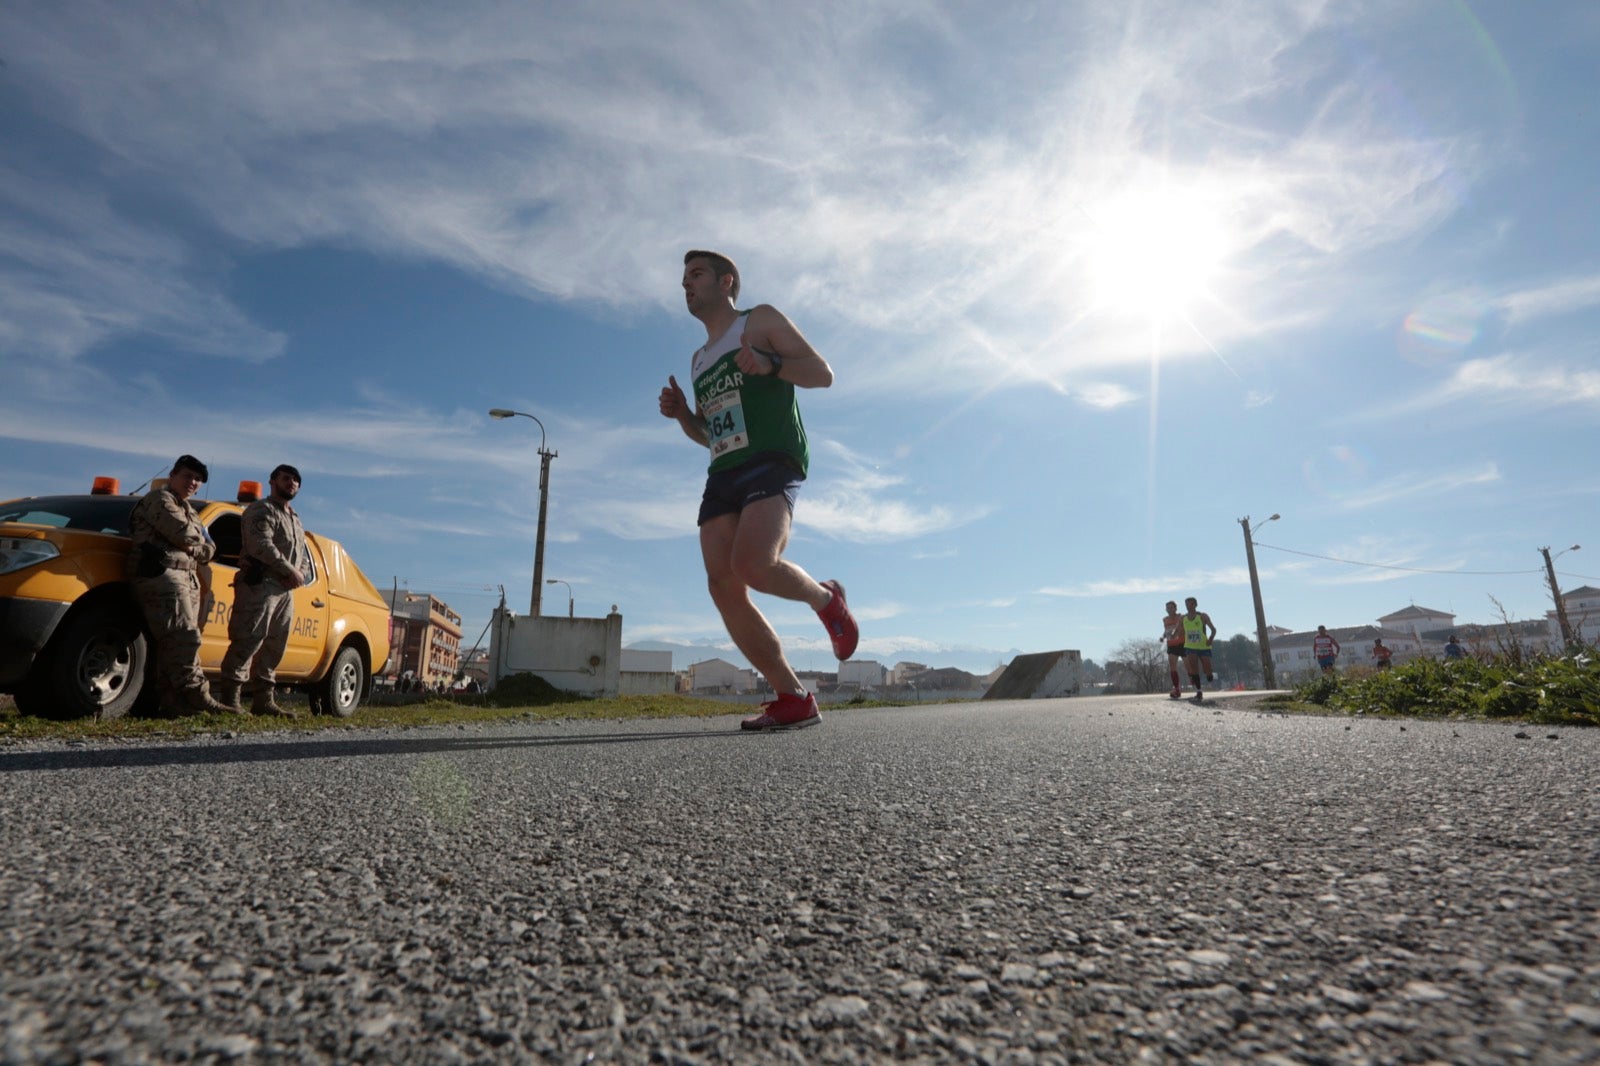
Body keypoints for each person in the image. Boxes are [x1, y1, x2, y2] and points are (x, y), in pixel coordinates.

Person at [659, 249, 858, 732]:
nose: (686, 284)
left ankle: (825, 600)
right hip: (724, 471)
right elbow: (710, 434)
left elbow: (821, 374)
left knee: (753, 565)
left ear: (727, 282)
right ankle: (792, 696)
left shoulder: (759, 320)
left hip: (772, 458)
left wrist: (770, 364)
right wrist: (685, 415)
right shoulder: (699, 359)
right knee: (722, 584)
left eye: (697, 274)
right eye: (683, 278)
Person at [126, 455, 229, 715]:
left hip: (187, 577)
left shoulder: (190, 510)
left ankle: (172, 702)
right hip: (162, 574)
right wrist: (196, 545)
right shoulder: (159, 499)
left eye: (197, 479)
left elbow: (210, 548)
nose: (192, 482)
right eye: (187, 476)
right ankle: (198, 695)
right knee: (184, 637)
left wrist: (196, 546)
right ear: (172, 475)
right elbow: (184, 534)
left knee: (172, 643)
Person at [219, 464, 312, 716]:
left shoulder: (294, 518)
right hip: (260, 585)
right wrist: (288, 570)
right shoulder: (261, 509)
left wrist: (299, 572)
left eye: (295, 480)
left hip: (284, 591)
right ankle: (230, 699)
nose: (291, 483)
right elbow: (260, 544)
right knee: (248, 639)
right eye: (286, 478)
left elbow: (301, 554)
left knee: (274, 646)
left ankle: (263, 701)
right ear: (273, 481)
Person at [1180, 596, 1218, 702]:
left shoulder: (1202, 616)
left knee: (1207, 669)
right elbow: (1179, 630)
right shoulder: (1183, 618)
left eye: (1191, 604)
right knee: (1194, 669)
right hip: (1190, 646)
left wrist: (1210, 639)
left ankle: (1209, 674)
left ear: (1196, 605)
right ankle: (1199, 691)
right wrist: (1172, 636)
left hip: (1203, 646)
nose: (1189, 606)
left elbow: (1214, 630)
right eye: (1187, 604)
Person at [1161, 600, 1186, 699]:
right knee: (1172, 666)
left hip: (1182, 643)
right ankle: (1176, 689)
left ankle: (1195, 682)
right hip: (1171, 644)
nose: (1169, 609)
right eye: (1167, 608)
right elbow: (1166, 630)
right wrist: (1163, 637)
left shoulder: (1181, 617)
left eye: (1171, 607)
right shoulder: (1165, 619)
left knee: (1189, 667)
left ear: (1175, 608)